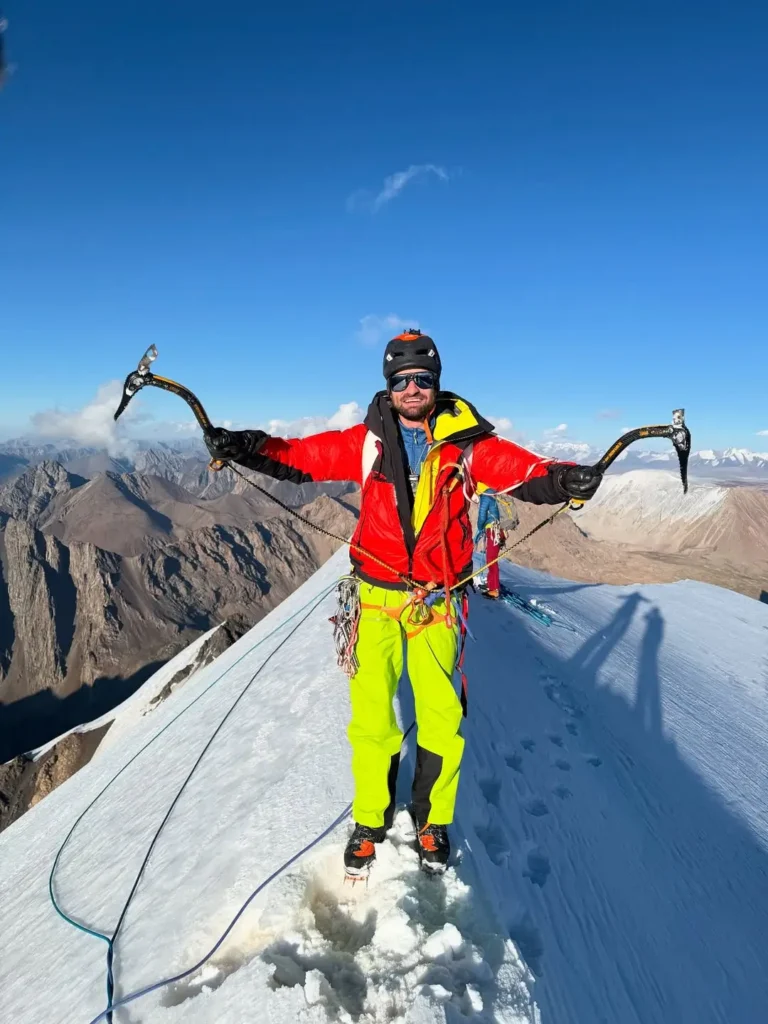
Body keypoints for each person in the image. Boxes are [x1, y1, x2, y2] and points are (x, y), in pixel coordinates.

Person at [204, 329, 602, 874]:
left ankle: (432, 820)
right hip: (375, 597)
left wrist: (564, 480)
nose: (412, 387)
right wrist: (244, 445)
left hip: (439, 598)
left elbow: (524, 471)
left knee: (440, 718)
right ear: (388, 385)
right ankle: (371, 818)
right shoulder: (365, 441)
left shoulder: (469, 444)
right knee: (371, 719)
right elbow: (299, 457)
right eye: (401, 379)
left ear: (436, 382)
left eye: (422, 378)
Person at [475, 489, 504, 598]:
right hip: (496, 530)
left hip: (492, 530)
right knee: (491, 559)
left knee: (491, 560)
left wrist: (479, 527)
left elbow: (482, 516)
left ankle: (494, 589)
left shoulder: (485, 496)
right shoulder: (492, 494)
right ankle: (491, 583)